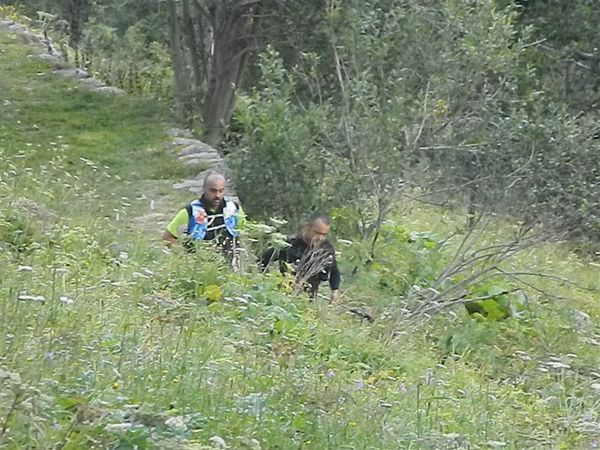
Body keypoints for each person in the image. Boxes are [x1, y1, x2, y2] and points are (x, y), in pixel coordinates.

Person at [260, 212, 341, 303]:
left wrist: (335, 290)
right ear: (307, 227)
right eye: (317, 233)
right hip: (283, 296)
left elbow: (334, 271)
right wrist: (266, 281)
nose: (320, 238)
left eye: (324, 234)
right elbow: (262, 260)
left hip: (308, 300)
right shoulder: (289, 244)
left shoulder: (326, 249)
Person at [163, 172, 245, 259]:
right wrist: (183, 256)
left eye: (221, 191)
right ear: (204, 189)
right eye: (213, 191)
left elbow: (245, 233)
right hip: (199, 266)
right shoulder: (190, 211)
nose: (217, 195)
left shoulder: (234, 209)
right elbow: (167, 238)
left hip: (229, 266)